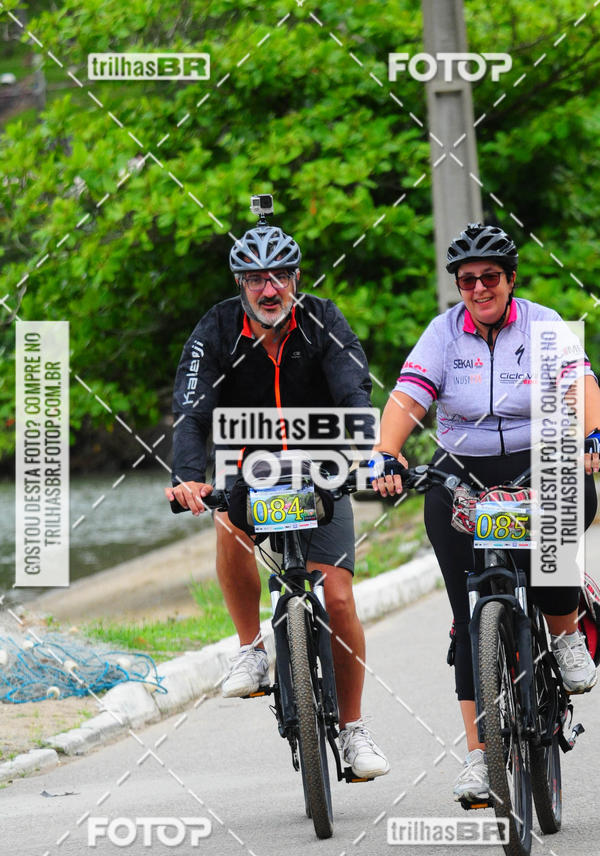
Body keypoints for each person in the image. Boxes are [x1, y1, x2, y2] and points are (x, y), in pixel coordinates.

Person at [370, 222, 600, 801]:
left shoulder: (544, 325)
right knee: (470, 618)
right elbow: (408, 396)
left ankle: (566, 631)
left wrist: (592, 438)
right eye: (467, 281)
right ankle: (479, 756)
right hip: (465, 472)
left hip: (540, 460)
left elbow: (580, 386)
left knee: (558, 528)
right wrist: (385, 453)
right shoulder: (443, 334)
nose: (478, 289)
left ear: (511, 279)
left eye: (489, 278)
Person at [164, 196, 389, 779]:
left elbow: (353, 394)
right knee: (225, 517)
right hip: (251, 465)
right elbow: (190, 410)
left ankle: (356, 729)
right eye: (256, 279)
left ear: (296, 277)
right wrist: (188, 475)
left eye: (280, 276)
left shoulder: (323, 320)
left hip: (320, 466)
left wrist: (368, 456)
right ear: (240, 283)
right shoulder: (214, 329)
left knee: (337, 598)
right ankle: (250, 649)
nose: (270, 290)